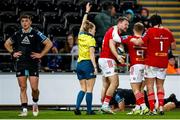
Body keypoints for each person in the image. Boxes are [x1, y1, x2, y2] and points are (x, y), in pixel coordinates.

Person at [4, 15, 52, 117]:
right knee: (22, 87)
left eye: (26, 21)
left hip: (33, 63)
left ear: (30, 22)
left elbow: (49, 43)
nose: (24, 23)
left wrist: (41, 54)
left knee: (34, 88)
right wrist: (13, 53)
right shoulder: (17, 34)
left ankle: (35, 102)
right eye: (22, 21)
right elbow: (7, 43)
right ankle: (24, 109)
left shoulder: (36, 33)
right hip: (20, 63)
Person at [130, 14, 176, 115]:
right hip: (163, 62)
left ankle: (152, 109)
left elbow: (139, 42)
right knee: (160, 86)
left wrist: (133, 40)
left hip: (151, 62)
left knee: (150, 86)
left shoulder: (149, 31)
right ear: (160, 22)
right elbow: (173, 46)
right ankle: (161, 107)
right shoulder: (168, 31)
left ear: (151, 23)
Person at [98, 16, 129, 114]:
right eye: (125, 24)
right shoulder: (113, 31)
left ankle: (103, 105)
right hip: (107, 59)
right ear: (119, 23)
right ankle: (105, 105)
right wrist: (118, 56)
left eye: (127, 25)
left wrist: (119, 59)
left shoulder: (114, 31)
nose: (127, 27)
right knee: (115, 83)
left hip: (104, 59)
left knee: (106, 84)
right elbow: (111, 44)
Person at [74, 3, 97, 115]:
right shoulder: (91, 39)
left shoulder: (80, 35)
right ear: (90, 30)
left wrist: (86, 12)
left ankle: (77, 108)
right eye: (94, 30)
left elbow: (83, 24)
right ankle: (89, 110)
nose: (95, 31)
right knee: (89, 89)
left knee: (83, 88)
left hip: (79, 64)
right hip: (88, 64)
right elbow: (92, 54)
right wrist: (95, 67)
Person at [121, 22, 149, 115]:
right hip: (145, 66)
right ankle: (137, 108)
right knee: (141, 89)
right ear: (143, 30)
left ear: (133, 29)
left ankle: (144, 107)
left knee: (135, 89)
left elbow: (118, 39)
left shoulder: (129, 38)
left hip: (135, 65)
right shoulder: (145, 40)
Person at [110, 88, 180, 112]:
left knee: (156, 109)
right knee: (155, 104)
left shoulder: (117, 95)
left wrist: (112, 111)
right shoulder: (115, 93)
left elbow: (122, 109)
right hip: (141, 95)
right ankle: (170, 99)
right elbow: (113, 108)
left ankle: (176, 104)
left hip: (141, 97)